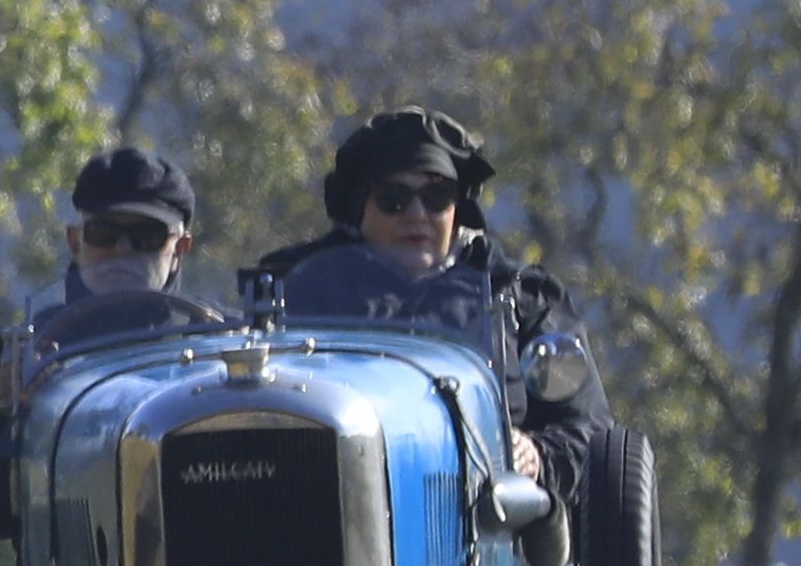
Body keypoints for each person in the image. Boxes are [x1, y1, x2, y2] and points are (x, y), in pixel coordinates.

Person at [256, 105, 610, 489]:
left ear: (458, 208)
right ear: (360, 207)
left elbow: (589, 430)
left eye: (437, 196)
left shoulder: (521, 299)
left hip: (496, 521)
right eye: (394, 198)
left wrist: (536, 454)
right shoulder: (295, 295)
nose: (417, 214)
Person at [18, 143, 230, 359]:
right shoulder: (27, 351)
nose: (122, 249)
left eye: (146, 236)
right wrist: (13, 387)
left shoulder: (223, 340)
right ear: (75, 243)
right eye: (103, 232)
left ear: (179, 249)